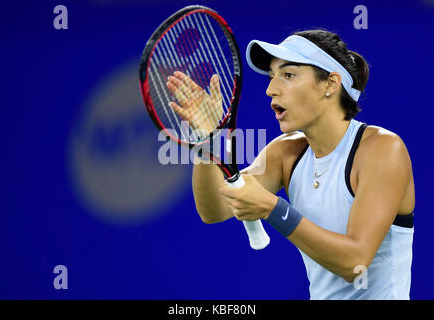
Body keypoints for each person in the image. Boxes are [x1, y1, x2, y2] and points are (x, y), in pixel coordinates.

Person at [166, 29, 415, 300]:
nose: (270, 88)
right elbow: (214, 210)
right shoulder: (286, 152)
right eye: (272, 76)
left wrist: (273, 209)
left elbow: (355, 263)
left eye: (289, 75)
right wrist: (208, 141)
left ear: (331, 84)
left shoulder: (382, 149)